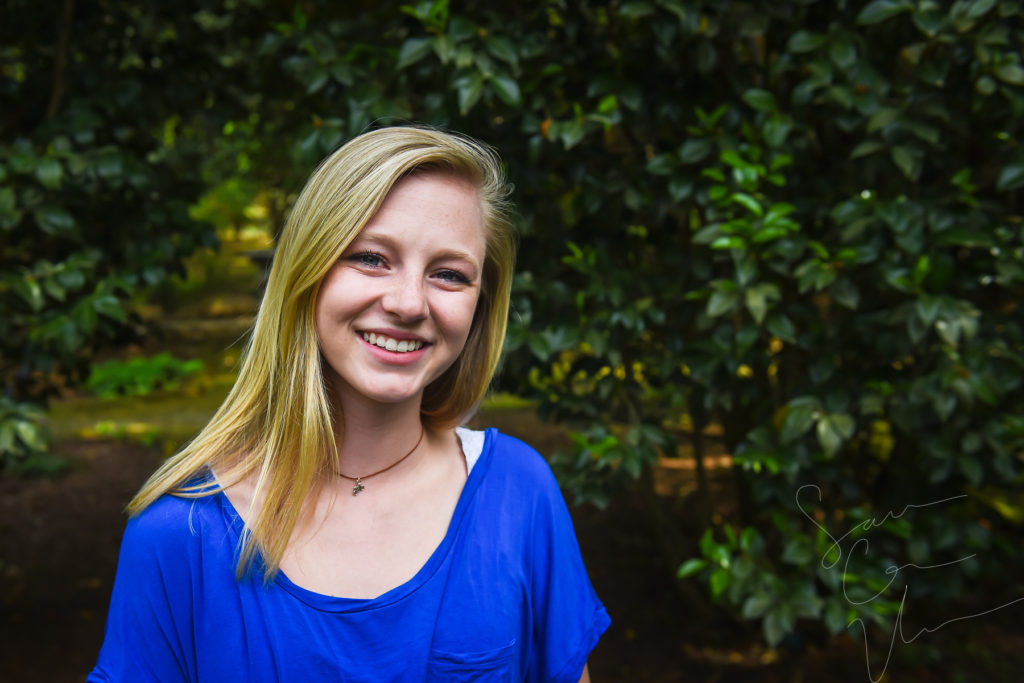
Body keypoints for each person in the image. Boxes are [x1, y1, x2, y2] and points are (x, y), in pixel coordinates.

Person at [88, 126, 610, 682]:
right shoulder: (180, 534)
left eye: (449, 274)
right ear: (306, 272)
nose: (409, 303)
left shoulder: (517, 492)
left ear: (481, 304)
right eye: (371, 258)